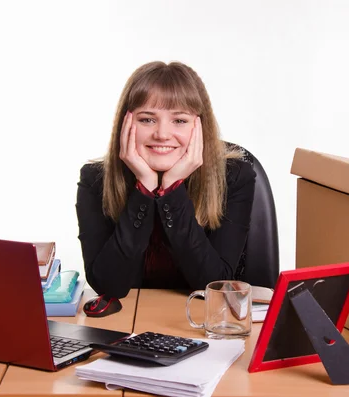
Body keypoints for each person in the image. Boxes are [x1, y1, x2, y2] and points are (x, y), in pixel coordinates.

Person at [76, 61, 256, 299]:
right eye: (147, 119)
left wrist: (172, 190)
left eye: (179, 120)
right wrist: (145, 189)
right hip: (129, 323)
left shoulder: (235, 178)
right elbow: (108, 286)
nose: (161, 134)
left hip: (201, 324)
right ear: (126, 124)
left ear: (200, 126)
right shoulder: (95, 180)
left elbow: (213, 286)